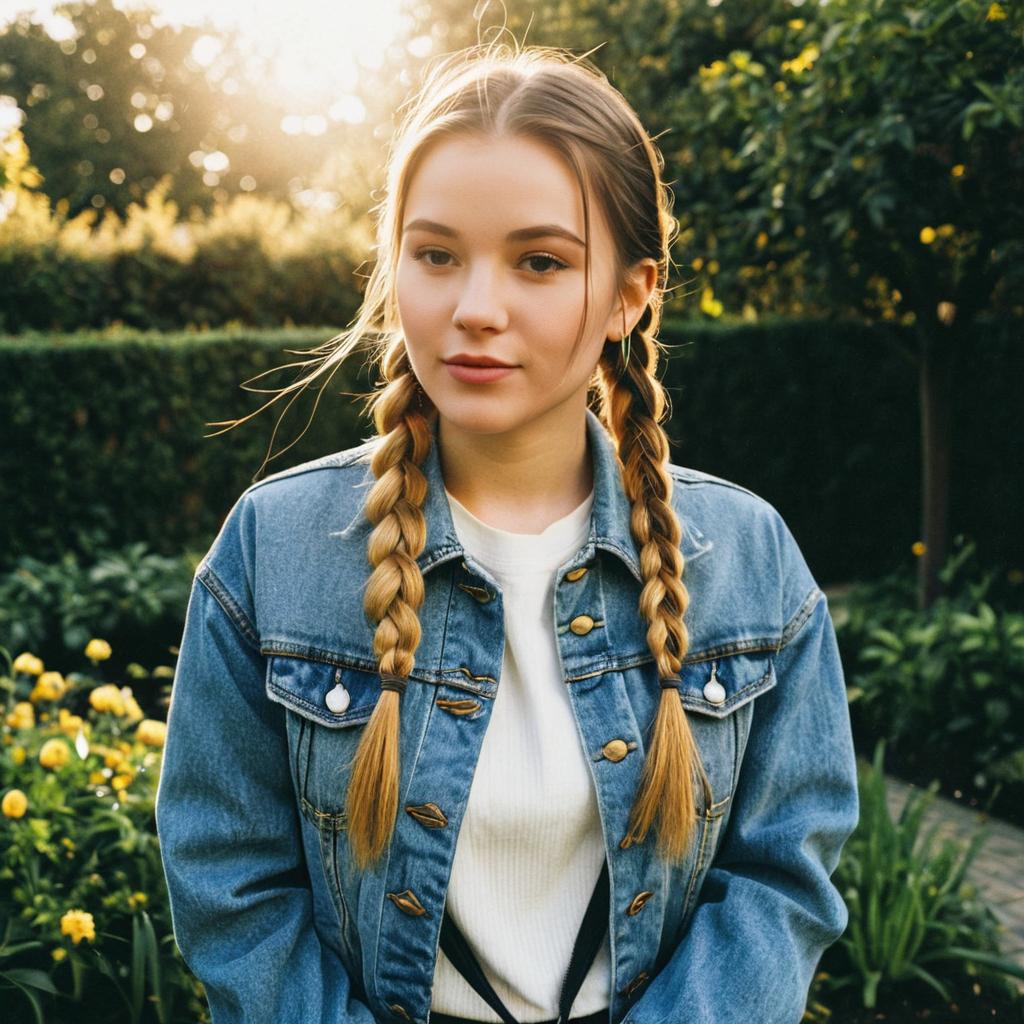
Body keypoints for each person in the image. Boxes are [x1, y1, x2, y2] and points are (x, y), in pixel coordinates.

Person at [155, 38, 859, 1024]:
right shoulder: (272, 552)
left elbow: (782, 872)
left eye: (538, 261)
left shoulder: (747, 560)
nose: (474, 308)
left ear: (630, 292)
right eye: (436, 254)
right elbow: (229, 878)